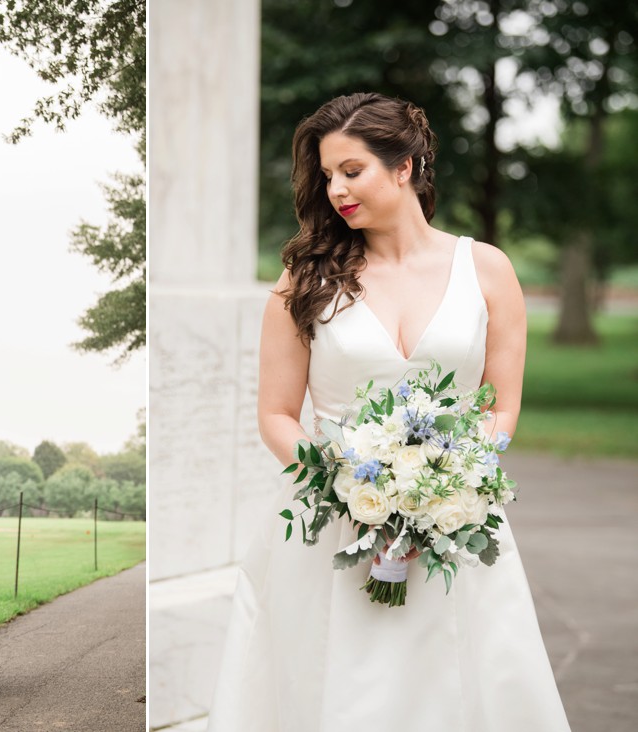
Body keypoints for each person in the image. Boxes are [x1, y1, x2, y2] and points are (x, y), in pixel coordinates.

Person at [207, 93, 570, 731]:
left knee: (461, 683)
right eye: (327, 176)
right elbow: (276, 415)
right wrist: (340, 480)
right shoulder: (305, 281)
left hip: (457, 520)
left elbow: (501, 404)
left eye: (352, 170)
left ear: (404, 167)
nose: (337, 190)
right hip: (334, 526)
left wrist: (448, 484)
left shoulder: (486, 269)